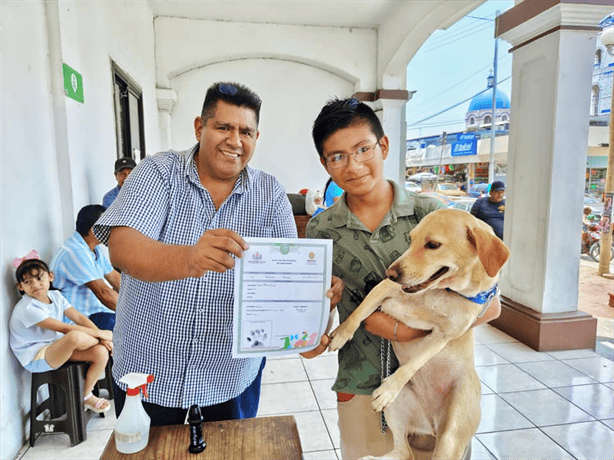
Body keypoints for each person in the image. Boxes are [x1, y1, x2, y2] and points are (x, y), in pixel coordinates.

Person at [93, 81, 344, 425]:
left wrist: (312, 319)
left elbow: (289, 282)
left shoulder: (270, 194)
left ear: (257, 137)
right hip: (148, 374)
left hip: (230, 378)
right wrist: (190, 258)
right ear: (200, 127)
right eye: (223, 127)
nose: (235, 140)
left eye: (246, 132)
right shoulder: (157, 173)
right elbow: (122, 250)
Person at [304, 98, 501, 460]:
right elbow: (321, 313)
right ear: (325, 163)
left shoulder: (434, 215)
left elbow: (491, 306)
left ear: (383, 146)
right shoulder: (321, 229)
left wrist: (407, 329)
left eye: (363, 149)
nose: (354, 165)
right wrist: (310, 330)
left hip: (443, 384)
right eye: (338, 156)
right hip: (360, 384)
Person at [9, 253, 113, 413]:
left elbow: (78, 317)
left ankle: (86, 396)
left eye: (39, 278)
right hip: (35, 356)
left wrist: (100, 335)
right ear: (20, 287)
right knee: (74, 336)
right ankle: (104, 341)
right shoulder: (28, 309)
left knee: (101, 352)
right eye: (28, 282)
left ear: (50, 277)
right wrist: (103, 336)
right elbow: (64, 329)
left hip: (55, 347)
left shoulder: (55, 296)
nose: (35, 284)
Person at [50, 205, 121, 331]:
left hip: (97, 313)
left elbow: (115, 279)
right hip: (81, 320)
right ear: (95, 230)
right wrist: (135, 312)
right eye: (109, 226)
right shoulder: (74, 251)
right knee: (133, 327)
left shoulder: (94, 249)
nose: (113, 230)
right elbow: (104, 293)